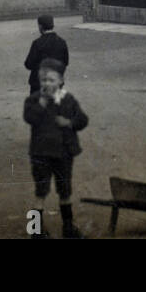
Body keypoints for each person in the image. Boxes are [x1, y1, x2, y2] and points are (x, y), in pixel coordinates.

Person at [22, 58, 88, 238]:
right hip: (41, 154)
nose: (47, 83)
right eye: (43, 80)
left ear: (60, 81)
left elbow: (83, 119)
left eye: (51, 80)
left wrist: (70, 122)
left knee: (65, 190)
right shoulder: (34, 100)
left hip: (63, 153)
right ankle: (35, 231)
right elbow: (29, 118)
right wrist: (42, 103)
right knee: (40, 192)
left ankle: (68, 228)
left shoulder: (68, 99)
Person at [24, 14, 69, 94]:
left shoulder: (37, 43)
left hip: (38, 85)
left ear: (41, 27)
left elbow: (29, 64)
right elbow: (65, 62)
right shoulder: (62, 42)